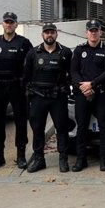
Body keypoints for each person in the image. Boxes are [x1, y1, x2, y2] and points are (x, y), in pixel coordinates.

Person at [0, 12, 33, 170]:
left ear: (16, 24)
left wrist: (26, 84)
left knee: (20, 122)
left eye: (12, 22)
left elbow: (31, 65)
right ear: (2, 24)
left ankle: (20, 155)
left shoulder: (24, 43)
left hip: (17, 87)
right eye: (6, 22)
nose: (9, 24)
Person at [23, 23, 72, 173]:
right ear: (42, 35)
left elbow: (72, 75)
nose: (49, 35)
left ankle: (63, 159)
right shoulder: (33, 53)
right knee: (37, 129)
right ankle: (39, 159)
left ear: (57, 34)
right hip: (38, 98)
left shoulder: (65, 52)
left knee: (61, 129)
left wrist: (65, 89)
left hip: (58, 98)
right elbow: (26, 76)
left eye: (52, 32)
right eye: (46, 32)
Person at [71, 20, 105, 172]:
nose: (93, 33)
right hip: (83, 94)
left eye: (96, 30)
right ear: (86, 33)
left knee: (104, 128)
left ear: (100, 32)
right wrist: (83, 87)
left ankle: (104, 160)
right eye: (91, 30)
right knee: (82, 128)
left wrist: (92, 84)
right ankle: (80, 160)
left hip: (101, 94)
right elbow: (73, 71)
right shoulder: (79, 50)